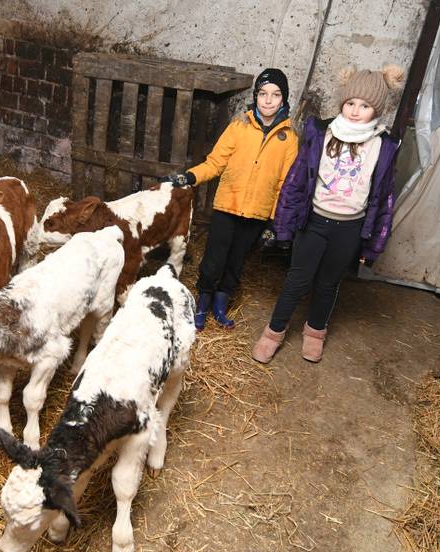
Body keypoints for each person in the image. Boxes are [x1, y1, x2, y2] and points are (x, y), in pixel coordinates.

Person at [251, 64, 405, 364]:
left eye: (365, 105)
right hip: (315, 222)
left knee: (328, 283)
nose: (355, 111)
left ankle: (315, 332)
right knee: (297, 279)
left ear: (377, 110)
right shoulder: (322, 134)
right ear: (342, 103)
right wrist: (283, 225)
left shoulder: (382, 146)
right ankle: (273, 332)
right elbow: (296, 181)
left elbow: (385, 199)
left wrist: (374, 245)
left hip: (349, 228)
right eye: (350, 103)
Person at [163, 68, 299, 330]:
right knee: (214, 258)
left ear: (284, 99)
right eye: (263, 93)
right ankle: (203, 302)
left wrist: (275, 222)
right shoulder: (239, 127)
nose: (268, 100)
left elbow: (285, 185)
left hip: (257, 214)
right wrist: (190, 177)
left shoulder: (289, 139)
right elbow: (215, 163)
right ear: (256, 96)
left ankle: (220, 305)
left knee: (237, 261)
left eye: (275, 94)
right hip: (228, 206)